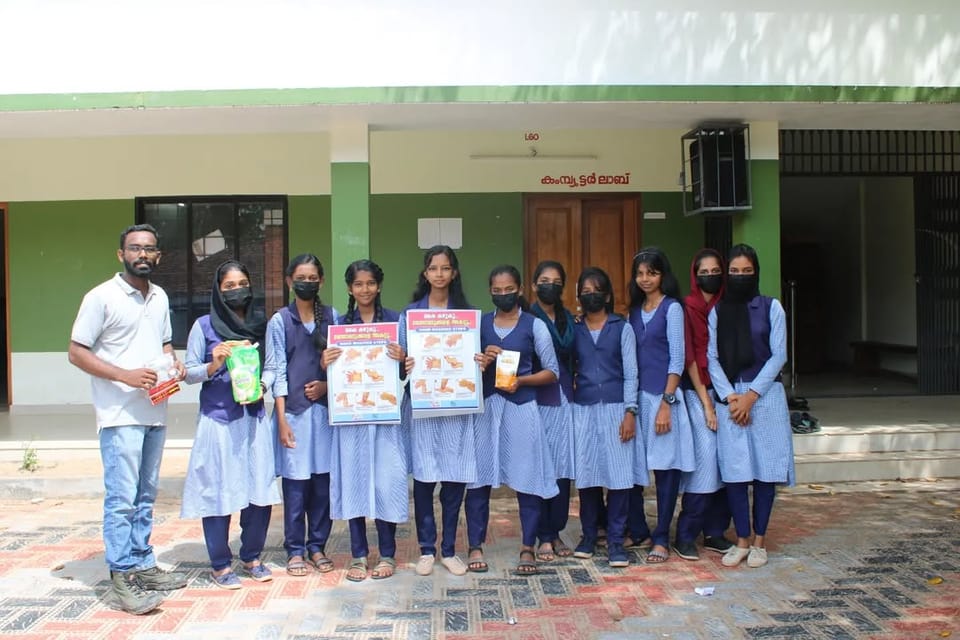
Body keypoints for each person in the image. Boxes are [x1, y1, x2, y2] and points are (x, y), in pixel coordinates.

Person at [68, 223, 187, 615]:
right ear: (121, 254)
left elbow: (165, 343)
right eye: (135, 248)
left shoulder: (160, 297)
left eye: (150, 249)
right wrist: (124, 375)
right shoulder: (101, 297)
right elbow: (76, 352)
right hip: (119, 414)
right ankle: (122, 577)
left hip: (155, 409)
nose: (143, 254)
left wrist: (174, 365)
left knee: (146, 496)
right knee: (122, 499)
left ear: (158, 256)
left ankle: (143, 563)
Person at [181, 260, 281, 588]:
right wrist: (215, 363)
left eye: (242, 284)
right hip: (219, 422)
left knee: (258, 489)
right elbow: (189, 372)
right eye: (229, 286)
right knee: (219, 490)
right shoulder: (204, 326)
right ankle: (220, 563)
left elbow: (272, 366)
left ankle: (252, 555)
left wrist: (261, 387)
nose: (237, 290)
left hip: (253, 419)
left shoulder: (260, 325)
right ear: (218, 290)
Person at [707, 244, 796, 568]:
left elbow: (779, 355)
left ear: (755, 272)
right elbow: (712, 357)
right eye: (735, 272)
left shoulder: (772, 308)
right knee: (735, 472)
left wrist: (751, 396)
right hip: (730, 400)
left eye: (747, 272)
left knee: (764, 471)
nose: (741, 277)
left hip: (765, 398)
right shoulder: (718, 311)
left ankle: (759, 541)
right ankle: (741, 539)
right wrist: (731, 396)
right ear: (727, 274)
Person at [468, 265, 559, 575]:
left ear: (520, 289)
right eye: (497, 290)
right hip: (487, 409)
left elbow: (553, 372)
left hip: (522, 408)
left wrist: (523, 381)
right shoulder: (479, 326)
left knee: (527, 478)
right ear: (490, 291)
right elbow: (464, 370)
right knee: (479, 478)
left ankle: (527, 546)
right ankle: (474, 545)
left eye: (509, 290)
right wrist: (481, 361)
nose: (503, 295)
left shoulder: (535, 326)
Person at [325, 260, 409, 582]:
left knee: (385, 482)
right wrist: (325, 361)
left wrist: (402, 360)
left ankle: (387, 553)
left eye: (370, 283)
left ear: (379, 286)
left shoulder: (394, 321)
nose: (364, 290)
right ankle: (359, 555)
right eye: (358, 284)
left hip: (385, 417)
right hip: (353, 418)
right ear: (349, 288)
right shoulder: (339, 324)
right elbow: (333, 373)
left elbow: (406, 372)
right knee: (356, 482)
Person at [401, 245, 479, 577]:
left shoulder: (468, 315)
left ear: (454, 273)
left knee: (453, 479)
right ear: (425, 273)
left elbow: (477, 359)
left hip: (456, 409)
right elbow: (399, 365)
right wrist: (404, 363)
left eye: (445, 268)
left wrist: (480, 360)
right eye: (433, 268)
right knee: (423, 479)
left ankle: (449, 549)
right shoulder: (411, 315)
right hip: (422, 408)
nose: (439, 274)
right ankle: (425, 549)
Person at [264, 254, 338, 577]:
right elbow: (276, 371)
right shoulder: (280, 321)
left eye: (312, 278)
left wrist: (326, 385)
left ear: (321, 281)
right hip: (292, 415)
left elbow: (347, 367)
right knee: (295, 486)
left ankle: (317, 545)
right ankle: (295, 549)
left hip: (324, 416)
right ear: (289, 282)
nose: (306, 283)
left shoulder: (332, 317)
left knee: (323, 484)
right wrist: (280, 419)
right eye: (300, 278)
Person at [628, 247, 696, 565]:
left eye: (651, 273)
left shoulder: (672, 309)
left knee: (666, 471)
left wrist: (667, 404)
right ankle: (640, 529)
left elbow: (678, 359)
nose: (645, 279)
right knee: (636, 469)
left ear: (663, 275)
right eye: (640, 273)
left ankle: (661, 537)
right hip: (639, 400)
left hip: (664, 398)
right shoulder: (634, 311)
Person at [570, 267, 638, 568]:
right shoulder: (575, 329)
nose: (591, 295)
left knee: (620, 477)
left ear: (608, 295)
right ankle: (588, 536)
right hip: (583, 408)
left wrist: (630, 412)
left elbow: (632, 373)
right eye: (585, 291)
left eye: (597, 290)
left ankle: (615, 541)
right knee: (587, 475)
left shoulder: (621, 328)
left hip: (615, 407)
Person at [674, 249, 734, 561]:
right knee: (707, 459)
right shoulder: (688, 307)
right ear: (694, 275)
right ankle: (686, 533)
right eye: (703, 271)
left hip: (729, 393)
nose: (709, 275)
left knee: (728, 461)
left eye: (715, 270)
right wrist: (707, 404)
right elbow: (691, 356)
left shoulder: (729, 306)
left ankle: (715, 532)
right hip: (699, 391)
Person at [530, 261, 577, 561]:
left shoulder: (569, 319)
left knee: (563, 469)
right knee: (540, 467)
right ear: (534, 286)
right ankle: (542, 534)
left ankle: (556, 531)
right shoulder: (526, 318)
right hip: (537, 402)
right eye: (544, 280)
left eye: (556, 281)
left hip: (567, 401)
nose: (551, 285)